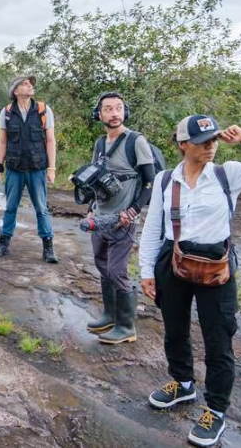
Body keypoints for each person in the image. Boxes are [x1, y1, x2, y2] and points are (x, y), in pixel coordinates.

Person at [139, 115, 241, 447]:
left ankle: (215, 410)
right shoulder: (166, 180)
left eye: (213, 140)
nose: (211, 146)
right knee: (175, 329)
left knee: (218, 338)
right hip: (173, 259)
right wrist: (147, 272)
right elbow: (153, 226)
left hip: (216, 265)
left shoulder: (229, 174)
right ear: (183, 145)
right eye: (202, 142)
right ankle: (183, 384)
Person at [85, 92, 156, 345]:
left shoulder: (136, 141)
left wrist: (133, 211)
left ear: (125, 111)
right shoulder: (100, 143)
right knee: (102, 265)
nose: (114, 113)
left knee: (117, 270)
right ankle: (110, 315)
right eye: (108, 109)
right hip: (100, 217)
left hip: (124, 219)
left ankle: (126, 326)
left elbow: (150, 181)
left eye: (118, 108)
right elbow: (95, 178)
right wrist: (91, 207)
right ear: (99, 114)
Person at [0, 75, 58, 263]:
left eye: (30, 84)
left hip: (37, 168)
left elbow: (50, 140)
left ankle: (48, 247)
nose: (30, 86)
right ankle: (3, 243)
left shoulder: (43, 110)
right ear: (16, 91)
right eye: (25, 84)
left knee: (41, 208)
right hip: (14, 168)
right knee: (10, 207)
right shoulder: (7, 112)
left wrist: (51, 168)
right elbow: (3, 141)